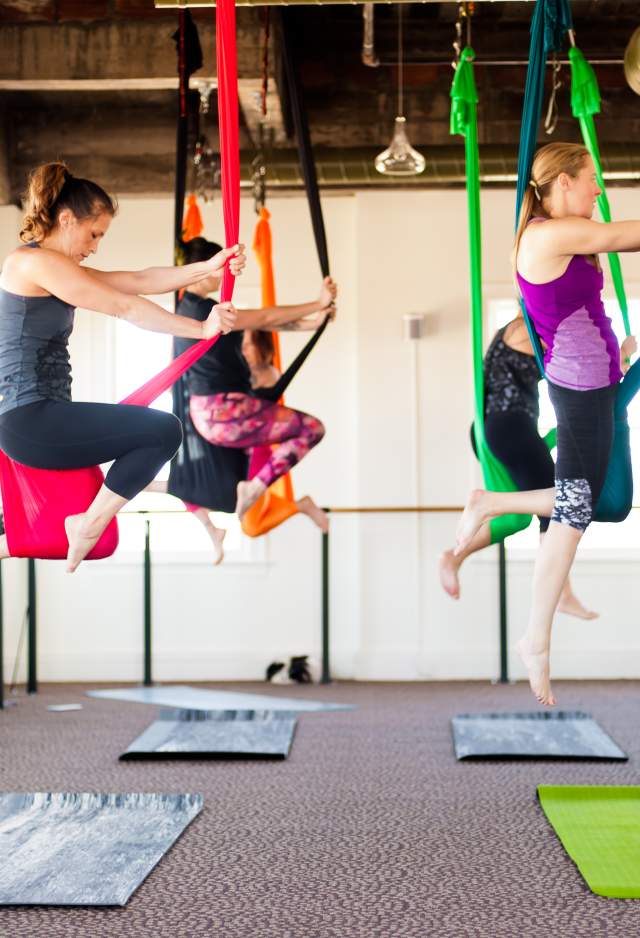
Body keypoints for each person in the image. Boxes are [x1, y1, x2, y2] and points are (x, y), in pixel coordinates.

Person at [455, 141, 637, 706]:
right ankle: (537, 639)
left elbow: (588, 306)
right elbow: (622, 235)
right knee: (576, 507)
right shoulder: (545, 236)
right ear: (561, 183)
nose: (598, 190)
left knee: (609, 505)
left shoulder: (563, 232)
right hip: (580, 389)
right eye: (590, 180)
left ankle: (493, 502)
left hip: (599, 378)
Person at [0, 162, 244, 572]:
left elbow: (138, 279)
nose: (94, 246)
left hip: (37, 419)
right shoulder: (33, 263)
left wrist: (207, 267)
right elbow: (124, 306)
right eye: (93, 233)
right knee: (162, 431)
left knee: (142, 448)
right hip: (32, 419)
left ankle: (29, 535)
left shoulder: (53, 267)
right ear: (65, 219)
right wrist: (201, 328)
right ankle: (88, 524)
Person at [147, 237, 336, 562]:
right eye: (218, 268)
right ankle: (256, 486)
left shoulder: (189, 309)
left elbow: (261, 322)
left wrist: (311, 324)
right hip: (226, 412)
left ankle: (251, 489)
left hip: (212, 417)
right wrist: (315, 303)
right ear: (200, 270)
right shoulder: (203, 309)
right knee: (312, 429)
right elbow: (263, 319)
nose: (221, 276)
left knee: (214, 484)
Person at [439, 314, 599, 620]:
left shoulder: (527, 330)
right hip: (507, 425)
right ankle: (561, 591)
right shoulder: (525, 327)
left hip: (502, 428)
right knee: (559, 501)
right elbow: (573, 363)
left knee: (514, 520)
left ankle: (453, 557)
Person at [242, 328, 329, 534]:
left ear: (261, 347)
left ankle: (301, 506)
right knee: (246, 522)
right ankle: (298, 505)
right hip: (239, 450)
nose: (243, 351)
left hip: (256, 454)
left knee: (252, 527)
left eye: (247, 346)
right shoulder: (246, 373)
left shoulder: (267, 375)